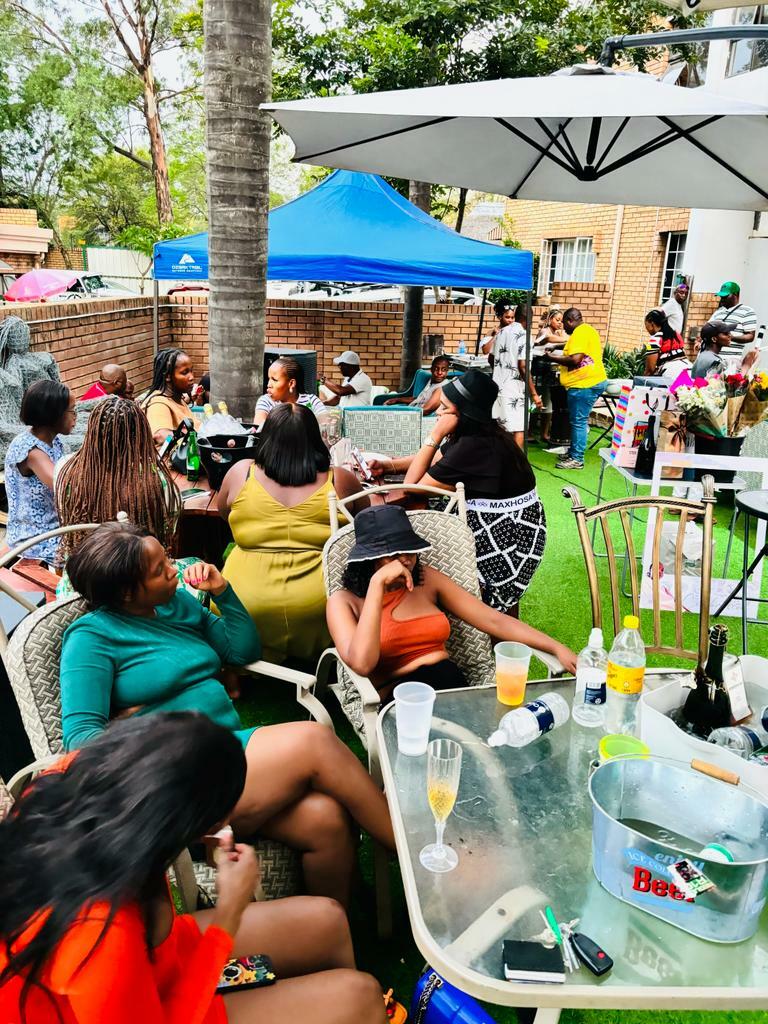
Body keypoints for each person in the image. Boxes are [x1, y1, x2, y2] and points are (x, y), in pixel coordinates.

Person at [60, 522, 394, 906]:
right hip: (176, 780)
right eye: (159, 569)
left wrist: (222, 592)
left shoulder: (176, 604)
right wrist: (143, 729)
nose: (173, 568)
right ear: (126, 592)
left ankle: (331, 926)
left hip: (225, 751)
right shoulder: (91, 639)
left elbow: (242, 651)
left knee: (326, 820)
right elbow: (80, 741)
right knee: (313, 739)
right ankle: (405, 845)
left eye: (166, 557)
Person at [0, 713, 386, 1024]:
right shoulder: (99, 933)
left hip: (151, 966)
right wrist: (228, 916)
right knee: (360, 996)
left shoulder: (78, 785)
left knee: (327, 919)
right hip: (142, 1005)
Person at [327, 505, 576, 700]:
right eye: (392, 554)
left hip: (450, 685)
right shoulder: (345, 602)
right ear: (369, 558)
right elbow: (362, 664)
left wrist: (556, 647)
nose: (405, 560)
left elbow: (492, 620)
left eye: (409, 550)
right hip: (402, 697)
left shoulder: (426, 580)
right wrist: (377, 585)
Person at [370, 370, 548, 618]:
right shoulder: (479, 432)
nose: (438, 413)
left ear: (462, 414)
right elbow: (438, 457)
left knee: (428, 559)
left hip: (509, 536)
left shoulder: (474, 446)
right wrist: (389, 465)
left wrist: (435, 434)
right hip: (509, 522)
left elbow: (412, 486)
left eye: (444, 408)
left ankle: (482, 629)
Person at [218, 404, 365, 664]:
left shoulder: (241, 473)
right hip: (320, 606)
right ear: (315, 439)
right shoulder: (340, 480)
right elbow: (362, 526)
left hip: (242, 603)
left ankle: (237, 672)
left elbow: (223, 514)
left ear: (266, 439)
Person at [55, 394, 182, 563]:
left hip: (80, 569)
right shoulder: (157, 482)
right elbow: (168, 533)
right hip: (136, 572)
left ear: (92, 432)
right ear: (141, 436)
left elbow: (65, 519)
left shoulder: (65, 469)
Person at [4, 380, 76, 564]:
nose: (76, 416)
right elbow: (65, 485)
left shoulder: (53, 441)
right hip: (35, 539)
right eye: (72, 411)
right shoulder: (31, 451)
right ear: (53, 415)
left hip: (54, 528)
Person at [544, 307, 607, 471]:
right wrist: (557, 347)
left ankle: (577, 459)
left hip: (584, 384)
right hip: (589, 382)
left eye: (564, 323)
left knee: (579, 421)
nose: (563, 327)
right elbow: (574, 346)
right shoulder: (586, 330)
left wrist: (551, 357)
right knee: (577, 420)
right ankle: (573, 453)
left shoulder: (580, 333)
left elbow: (575, 359)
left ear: (570, 321)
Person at [481, 300, 541, 448]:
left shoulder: (502, 332)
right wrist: (534, 394)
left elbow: (491, 358)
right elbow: (523, 366)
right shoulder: (525, 336)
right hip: (516, 391)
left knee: (501, 427)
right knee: (519, 428)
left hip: (499, 388)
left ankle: (500, 459)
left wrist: (501, 372)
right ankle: (516, 461)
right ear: (528, 318)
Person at [141, 348, 196, 445]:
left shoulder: (177, 398)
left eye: (191, 371)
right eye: (184, 372)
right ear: (167, 376)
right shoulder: (158, 404)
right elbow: (161, 436)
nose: (191, 377)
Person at [254, 357, 326, 426]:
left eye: (274, 380)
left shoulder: (312, 401)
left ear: (291, 383)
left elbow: (325, 427)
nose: (269, 385)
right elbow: (259, 429)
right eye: (269, 379)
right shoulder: (266, 401)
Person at [530, 308, 565, 445]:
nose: (560, 323)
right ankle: (530, 432)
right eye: (557, 320)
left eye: (561, 321)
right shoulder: (545, 331)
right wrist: (569, 339)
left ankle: (544, 434)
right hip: (539, 371)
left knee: (548, 402)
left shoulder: (558, 333)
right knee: (537, 402)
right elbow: (548, 339)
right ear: (550, 319)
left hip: (550, 372)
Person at [384, 355, 450, 414]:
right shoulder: (432, 381)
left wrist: (403, 413)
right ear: (431, 370)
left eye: (443, 370)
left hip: (420, 418)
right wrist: (397, 400)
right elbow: (419, 399)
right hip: (413, 410)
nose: (439, 372)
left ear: (447, 371)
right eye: (436, 369)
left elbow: (426, 410)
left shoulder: (442, 388)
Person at [707, 281, 757, 351]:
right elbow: (707, 328)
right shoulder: (719, 311)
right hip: (710, 354)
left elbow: (750, 336)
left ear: (735, 295)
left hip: (730, 357)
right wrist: (699, 340)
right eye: (721, 297)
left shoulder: (747, 311)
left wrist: (731, 337)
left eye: (725, 296)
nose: (722, 299)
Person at [642, 308, 689, 378]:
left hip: (672, 374)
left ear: (652, 324)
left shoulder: (654, 340)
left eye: (646, 325)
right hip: (688, 369)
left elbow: (650, 369)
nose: (646, 329)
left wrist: (641, 380)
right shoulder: (676, 335)